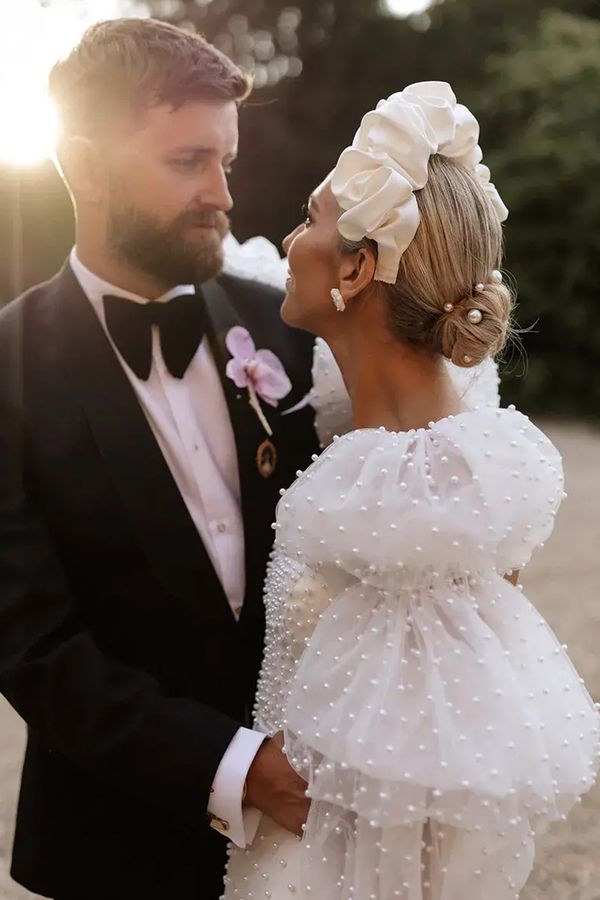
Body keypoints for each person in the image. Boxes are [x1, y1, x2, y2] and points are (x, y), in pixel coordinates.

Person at [223, 82, 600, 899]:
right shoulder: (379, 453)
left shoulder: (413, 512)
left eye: (312, 217)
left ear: (357, 267)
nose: (290, 238)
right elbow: (241, 257)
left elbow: (417, 834)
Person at [0, 18, 318, 900]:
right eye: (187, 162)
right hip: (107, 852)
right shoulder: (7, 370)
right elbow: (33, 647)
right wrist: (240, 768)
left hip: (311, 853)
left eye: (227, 162)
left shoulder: (288, 326)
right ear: (86, 167)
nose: (221, 193)